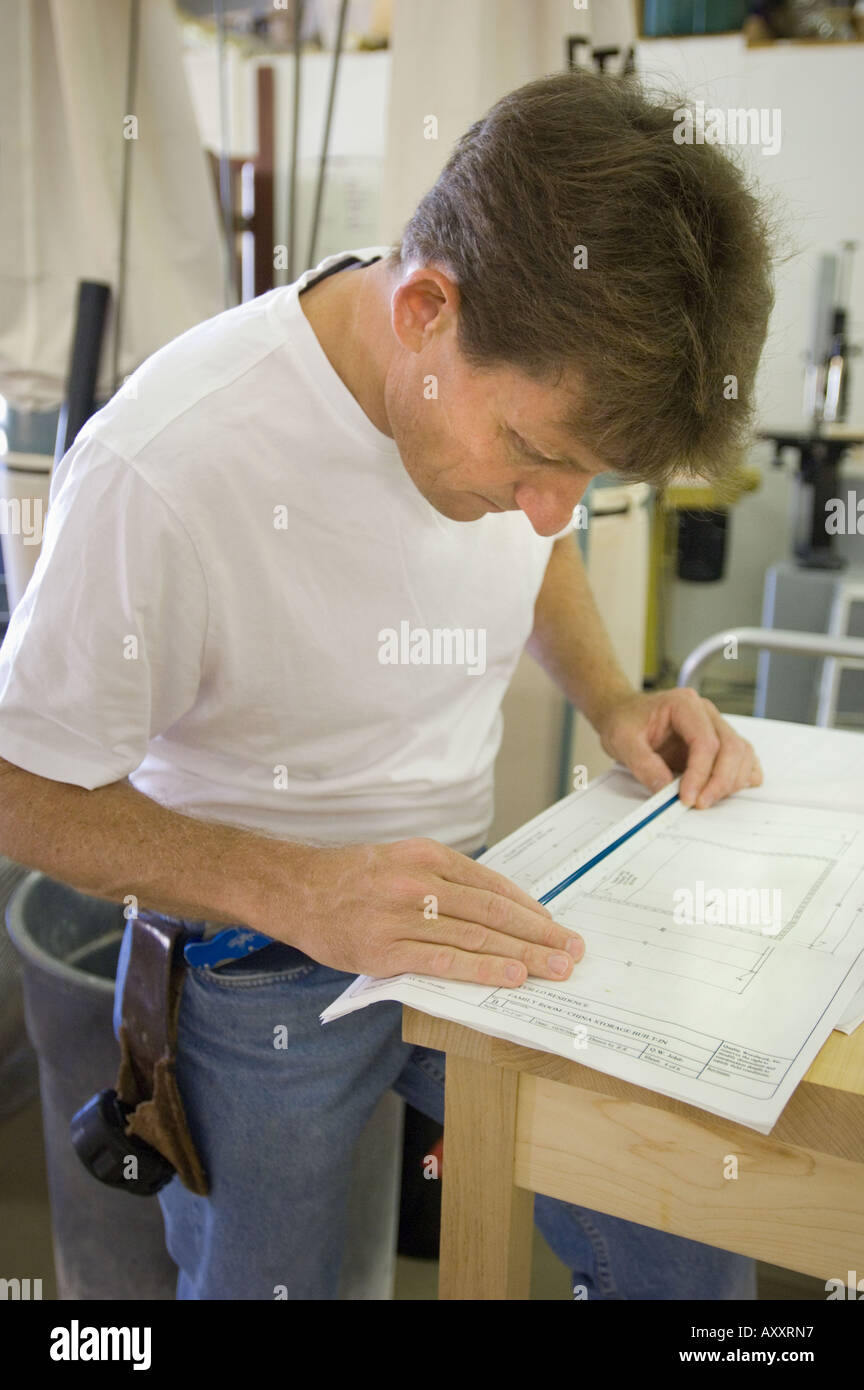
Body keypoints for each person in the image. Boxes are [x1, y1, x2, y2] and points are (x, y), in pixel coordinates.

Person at [0, 69, 773, 1299]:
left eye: (585, 479)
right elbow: (19, 791)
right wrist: (301, 886)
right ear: (424, 308)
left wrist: (617, 700)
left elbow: (539, 548)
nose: (548, 511)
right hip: (249, 962)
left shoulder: (495, 388)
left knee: (681, 1235)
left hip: (468, 905)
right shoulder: (168, 464)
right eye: (535, 456)